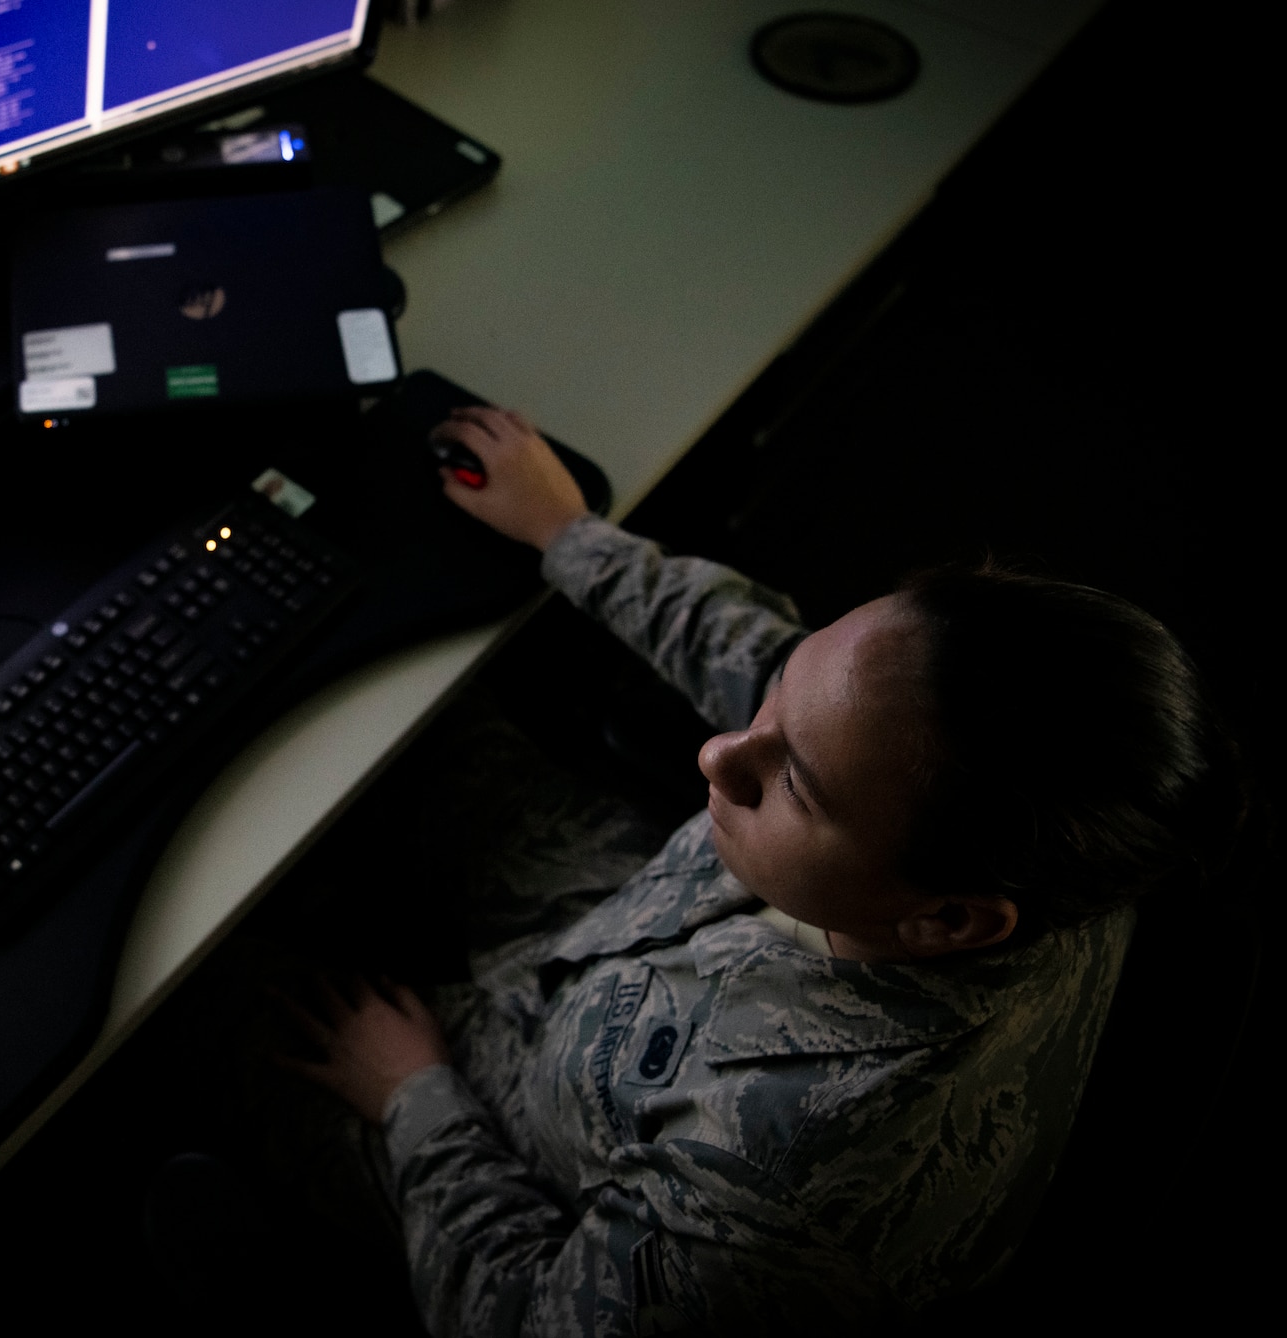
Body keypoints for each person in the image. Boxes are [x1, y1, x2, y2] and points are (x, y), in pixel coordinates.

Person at [273, 405, 1243, 1334]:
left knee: (195, 1007)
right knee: (383, 729)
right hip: (629, 922)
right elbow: (779, 669)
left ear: (945, 922)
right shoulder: (1017, 799)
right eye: (777, 703)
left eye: (794, 786)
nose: (719, 755)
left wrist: (415, 1099)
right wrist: (567, 530)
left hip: (514, 1128)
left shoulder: (770, 1199)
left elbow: (520, 1314)